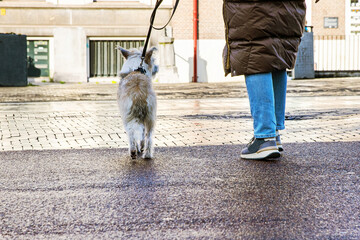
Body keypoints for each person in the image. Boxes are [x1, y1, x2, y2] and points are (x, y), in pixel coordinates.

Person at [222, 0, 308, 160]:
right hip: (289, 8)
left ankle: (264, 137)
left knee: (254, 55)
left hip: (253, 8)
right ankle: (273, 133)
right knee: (276, 57)